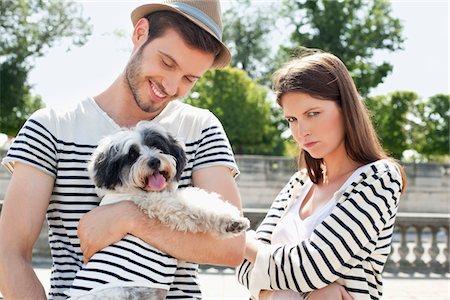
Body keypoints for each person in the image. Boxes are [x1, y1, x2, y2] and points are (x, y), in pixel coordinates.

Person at [0, 1, 246, 299]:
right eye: (167, 63)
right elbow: (8, 254)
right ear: (140, 33)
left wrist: (130, 217)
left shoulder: (201, 127)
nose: (170, 86)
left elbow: (232, 248)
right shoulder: (51, 126)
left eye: (189, 79)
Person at [236, 50, 406, 300]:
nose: (301, 131)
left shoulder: (379, 178)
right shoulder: (299, 183)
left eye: (312, 113)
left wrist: (243, 243)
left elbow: (311, 268)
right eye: (291, 119)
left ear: (346, 108)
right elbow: (241, 270)